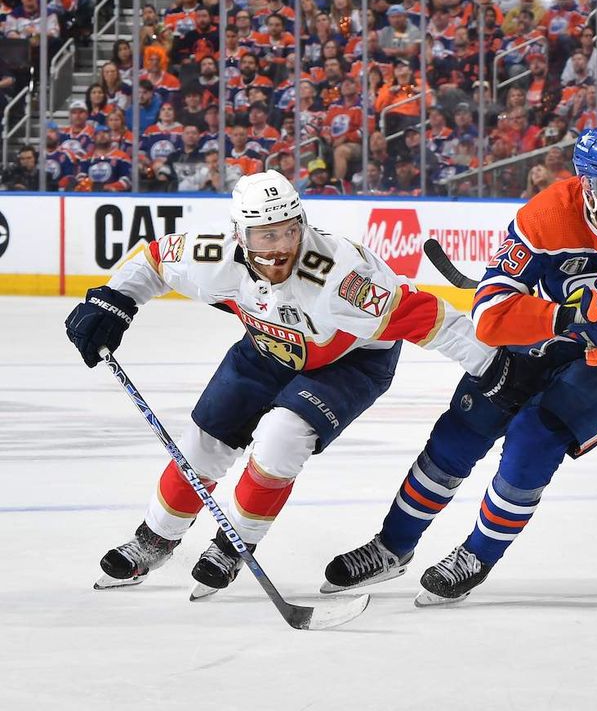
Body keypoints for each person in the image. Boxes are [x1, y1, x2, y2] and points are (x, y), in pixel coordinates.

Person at [321, 123, 597, 605]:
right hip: (549, 336)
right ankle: (392, 547)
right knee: (461, 431)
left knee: (533, 439)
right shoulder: (546, 220)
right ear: (588, 186)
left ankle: (477, 555)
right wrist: (569, 317)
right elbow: (489, 316)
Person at [65, 170, 500, 596]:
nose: (279, 248)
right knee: (202, 445)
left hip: (350, 361)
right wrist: (114, 301)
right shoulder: (212, 253)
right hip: (266, 346)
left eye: (288, 232)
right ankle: (154, 540)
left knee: (281, 439)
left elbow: (433, 319)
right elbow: (154, 260)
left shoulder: (341, 279)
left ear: (302, 225)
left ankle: (232, 545)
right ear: (240, 235)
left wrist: (498, 370)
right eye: (265, 236)